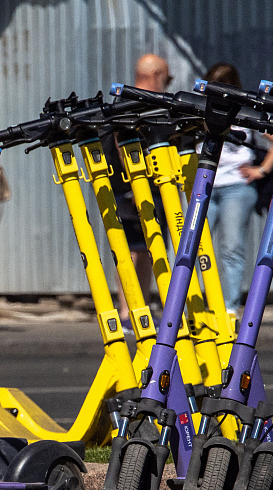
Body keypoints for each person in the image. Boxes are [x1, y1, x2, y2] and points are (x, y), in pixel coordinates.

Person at [203, 62, 273, 313]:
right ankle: (184, 308)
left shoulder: (245, 112)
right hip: (203, 186)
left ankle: (228, 310)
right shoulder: (200, 109)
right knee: (188, 246)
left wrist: (262, 170)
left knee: (231, 248)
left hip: (236, 188)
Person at [105, 53, 173, 329]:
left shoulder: (144, 103)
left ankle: (141, 308)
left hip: (149, 188)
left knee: (148, 250)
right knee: (131, 250)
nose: (167, 85)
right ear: (156, 76)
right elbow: (124, 144)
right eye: (167, 79)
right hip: (130, 189)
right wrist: (135, 186)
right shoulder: (132, 104)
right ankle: (126, 311)